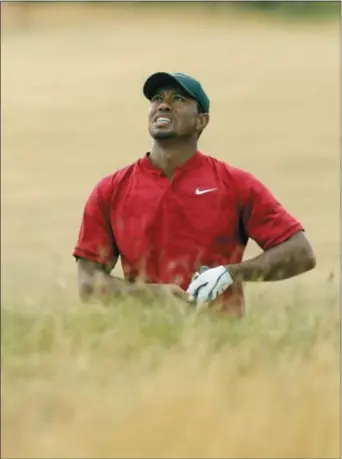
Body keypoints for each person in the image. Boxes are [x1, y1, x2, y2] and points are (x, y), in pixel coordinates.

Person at [72, 72, 316, 316]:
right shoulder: (111, 189)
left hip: (222, 342)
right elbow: (88, 283)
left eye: (178, 99)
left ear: (201, 121)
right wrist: (151, 295)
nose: (163, 105)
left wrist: (230, 274)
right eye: (156, 99)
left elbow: (300, 252)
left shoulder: (235, 184)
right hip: (140, 341)